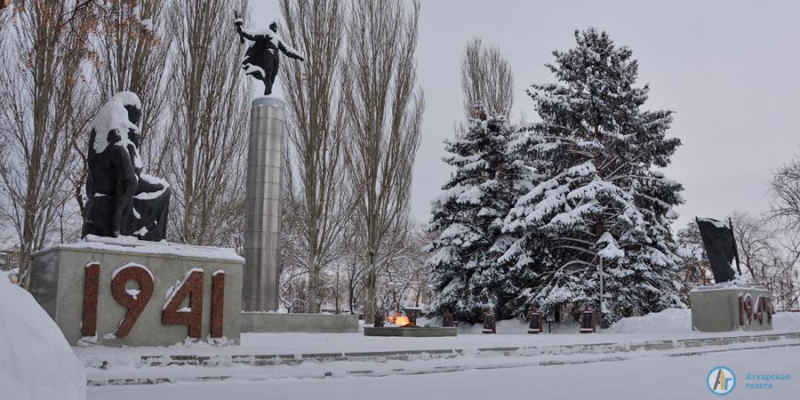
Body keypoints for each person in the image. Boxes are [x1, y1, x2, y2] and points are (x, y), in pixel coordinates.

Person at [234, 18, 304, 95]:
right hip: (269, 53)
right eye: (273, 26)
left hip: (275, 58)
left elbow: (287, 50)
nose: (274, 27)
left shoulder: (278, 39)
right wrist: (242, 30)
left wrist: (299, 56)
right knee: (268, 75)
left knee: (271, 79)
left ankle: (267, 93)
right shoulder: (267, 32)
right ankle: (261, 77)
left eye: (275, 26)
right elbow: (253, 35)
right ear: (271, 27)